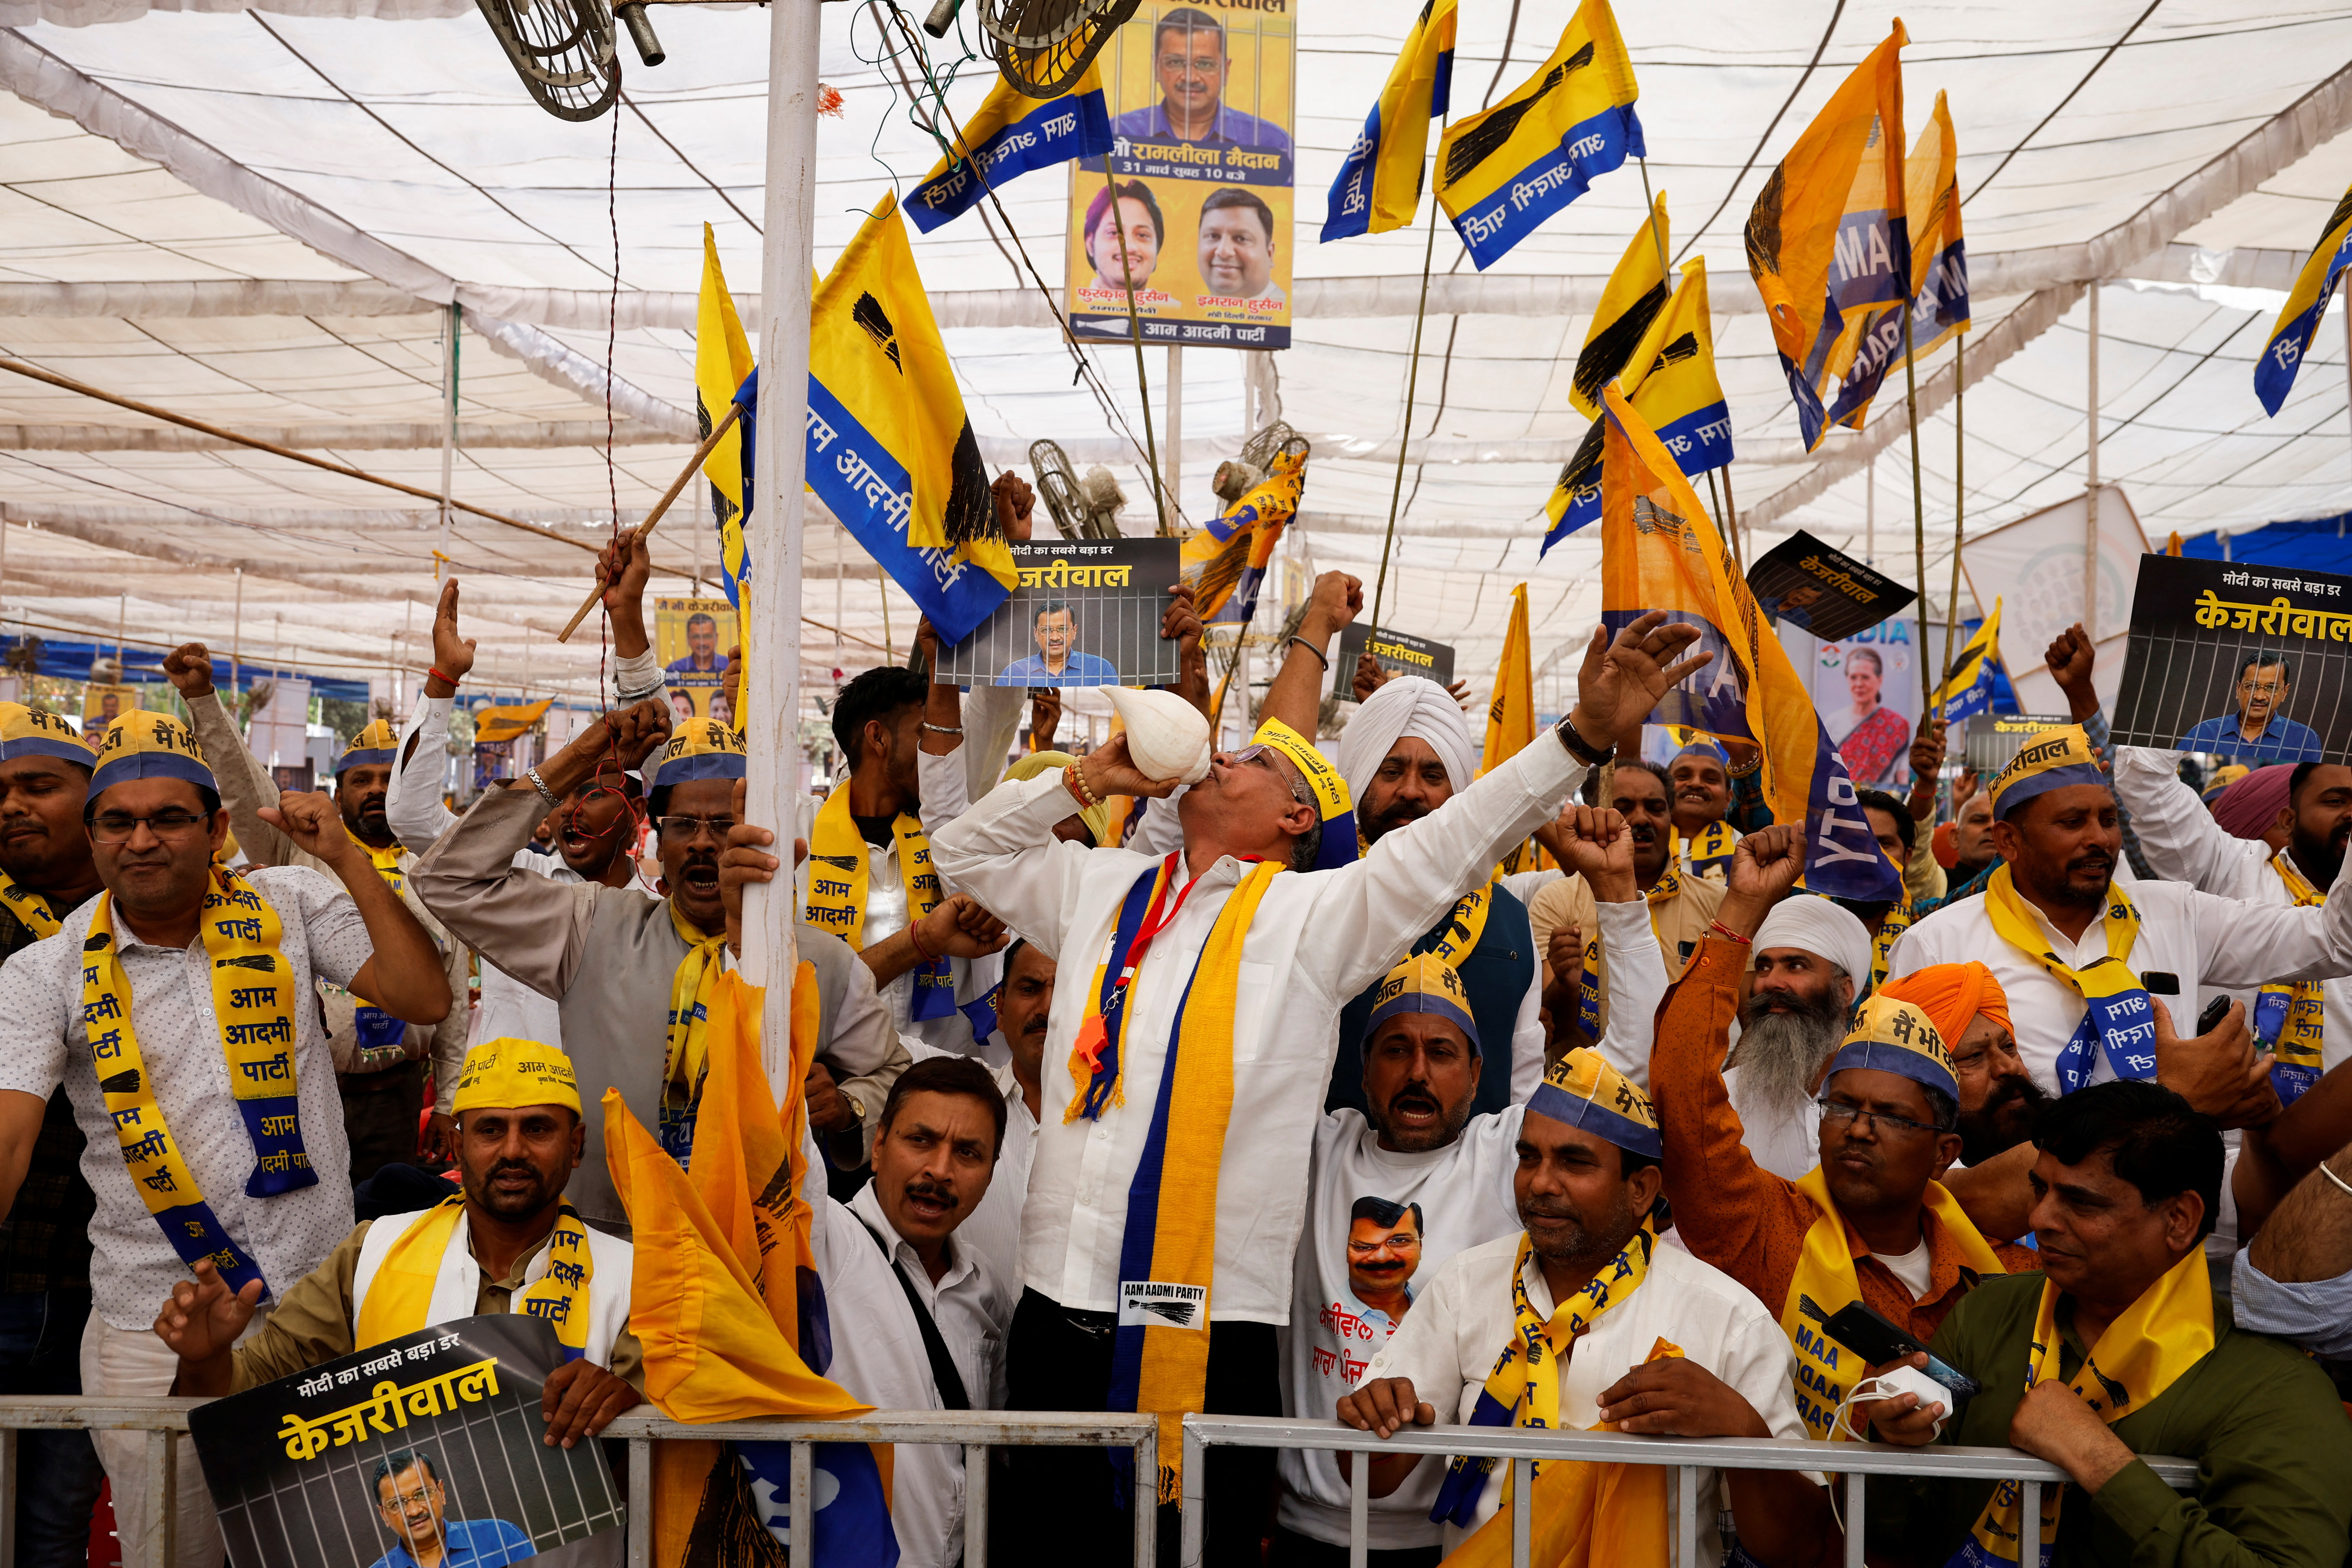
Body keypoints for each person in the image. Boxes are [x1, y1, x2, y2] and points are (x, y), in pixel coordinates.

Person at [929, 611, 1709, 1565]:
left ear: (1298, 816)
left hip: (1213, 1325)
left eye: (1254, 760)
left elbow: (1455, 840)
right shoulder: (1098, 888)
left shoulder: (1313, 918)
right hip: (1058, 1307)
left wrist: (1580, 736)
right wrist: (1091, 777)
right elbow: (960, 851)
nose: (1221, 757)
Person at [0, 712, 452, 1568]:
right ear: (93, 839)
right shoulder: (43, 972)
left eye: (168, 818)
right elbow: (9, 1139)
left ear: (215, 831)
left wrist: (347, 857)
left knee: (328, 1548)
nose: (141, 840)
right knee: (176, 1554)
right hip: (154, 1322)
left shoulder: (292, 902)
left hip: (314, 1309)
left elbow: (423, 997)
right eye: (118, 822)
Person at [1277, 877, 1669, 1568]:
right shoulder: (1316, 1149)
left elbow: (1632, 1057)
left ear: (1477, 1069)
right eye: (1395, 1049)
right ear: (1363, 1069)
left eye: (1442, 1051)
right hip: (1302, 1527)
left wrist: (1617, 894)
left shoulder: (1505, 1152)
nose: (1418, 1070)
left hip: (1446, 1534)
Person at [410, 707, 912, 1233]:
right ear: (657, 838)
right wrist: (581, 757)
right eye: (683, 826)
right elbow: (445, 879)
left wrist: (847, 1108)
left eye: (724, 825)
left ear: (760, 835)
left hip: (754, 1249)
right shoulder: (593, 925)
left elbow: (893, 1076)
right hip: (604, 1242)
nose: (702, 843)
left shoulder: (820, 961)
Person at [1335, 1050, 1830, 1566]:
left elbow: (1796, 1547)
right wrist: (1375, 1420)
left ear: (1641, 1189)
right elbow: (1371, 1476)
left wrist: (1742, 1429)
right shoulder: (1465, 1283)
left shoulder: (1730, 1319)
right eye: (1529, 1157)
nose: (1541, 1183)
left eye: (1574, 1162)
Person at [1858, 1081, 2352, 1568]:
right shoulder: (1988, 1313)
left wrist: (2100, 1464)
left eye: (2081, 1202)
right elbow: (1892, 1535)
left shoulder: (2271, 1384)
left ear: (2179, 1219)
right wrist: (1892, 1445)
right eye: (2039, 1188)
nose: (2040, 1218)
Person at [1650, 824, 2038, 1441]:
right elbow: (1679, 1085)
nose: (1858, 1129)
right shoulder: (1765, 1228)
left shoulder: (2005, 1278)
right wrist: (1740, 912)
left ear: (1944, 1153)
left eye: (1892, 1117)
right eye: (1841, 1107)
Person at [152, 1038, 637, 1423]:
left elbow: (659, 1448)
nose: (513, 1150)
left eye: (537, 1129)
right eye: (490, 1129)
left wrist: (630, 1403)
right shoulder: (372, 1251)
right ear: (457, 1146)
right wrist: (204, 1360)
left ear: (576, 1146)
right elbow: (247, 1392)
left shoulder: (634, 1277)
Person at [1890, 720, 2352, 1118]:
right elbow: (1907, 1100)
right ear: (2009, 841)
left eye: (2108, 819)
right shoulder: (1938, 944)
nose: (2100, 839)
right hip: (2007, 1193)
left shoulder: (2176, 913)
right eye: (2072, 822)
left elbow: (2335, 941)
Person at [171, 648, 472, 1180]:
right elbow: (242, 784)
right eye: (363, 780)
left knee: (383, 1214)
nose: (377, 789)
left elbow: (452, 1000)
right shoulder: (298, 849)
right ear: (338, 792)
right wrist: (203, 699)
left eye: (390, 779)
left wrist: (448, 1101)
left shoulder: (437, 871)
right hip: (306, 1085)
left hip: (398, 1093)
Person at [1288, 570, 1561, 1118]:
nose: (1411, 791)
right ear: (1359, 780)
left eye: (1433, 776)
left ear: (1460, 793)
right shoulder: (1309, 899)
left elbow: (1523, 1086)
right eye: (1391, 771)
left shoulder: (1512, 924)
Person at [384, 573, 657, 1057]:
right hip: (508, 1101)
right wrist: (443, 681)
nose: (571, 809)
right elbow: (412, 817)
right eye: (563, 794)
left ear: (635, 810)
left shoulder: (657, 918)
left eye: (592, 792)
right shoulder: (509, 879)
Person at [0, 705, 107, 1568]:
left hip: (103, 1283)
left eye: (38, 786)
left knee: (54, 1528)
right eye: (0, 792)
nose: (11, 805)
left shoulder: (157, 917)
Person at [843, 1055, 1017, 1567]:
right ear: (878, 1147)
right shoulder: (824, 1247)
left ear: (990, 1174)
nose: (940, 1170)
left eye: (968, 1152)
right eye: (920, 1140)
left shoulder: (986, 1289)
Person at [2113, 747, 2352, 1100]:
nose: (2350, 813)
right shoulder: (2234, 872)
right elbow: (2147, 777)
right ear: (2288, 820)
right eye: (2335, 801)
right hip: (2230, 1129)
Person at [810, 665, 1005, 1057]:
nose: (939, 750)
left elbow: (997, 712)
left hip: (946, 1076)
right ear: (878, 738)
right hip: (838, 1076)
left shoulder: (955, 835)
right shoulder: (801, 837)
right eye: (926, 733)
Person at [1530, 759, 1725, 1054]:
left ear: (1671, 816)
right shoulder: (1556, 900)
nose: (1642, 819)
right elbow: (1550, 1031)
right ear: (1591, 816)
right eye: (1623, 808)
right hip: (1585, 1080)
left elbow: (1738, 1016)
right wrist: (1567, 985)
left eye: (1656, 808)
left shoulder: (1717, 902)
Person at [1717, 888, 1876, 1181]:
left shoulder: (1885, 1092)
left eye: (1796, 966)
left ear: (1844, 991)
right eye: (1764, 967)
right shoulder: (1725, 1097)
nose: (1771, 982)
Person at [952, 936, 1054, 1287]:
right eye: (1030, 989)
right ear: (1000, 1008)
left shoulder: (1135, 1125)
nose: (1048, 1007)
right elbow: (841, 1018)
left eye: (1067, 991)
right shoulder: (950, 1091)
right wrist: (924, 941)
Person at [1111, 7, 1293, 154]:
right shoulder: (1117, 134)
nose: (1190, 78)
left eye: (1205, 64)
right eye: (1176, 62)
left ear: (1226, 70)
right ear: (1157, 67)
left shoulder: (1271, 143)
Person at [363, 1451, 533, 1568]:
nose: (414, 1511)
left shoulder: (500, 1538)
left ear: (442, 1492)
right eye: (398, 1504)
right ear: (384, 1515)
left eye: (422, 1494)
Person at [2177, 651, 2324, 764]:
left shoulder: (2304, 740)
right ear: (2238, 689)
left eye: (2271, 688)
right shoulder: (2204, 734)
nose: (2259, 696)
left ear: (2285, 692)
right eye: (2251, 686)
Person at [1826, 646, 1910, 788]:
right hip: (1841, 799)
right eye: (1853, 678)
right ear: (1847, 679)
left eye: (1865, 677)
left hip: (1883, 799)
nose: (1859, 684)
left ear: (1880, 680)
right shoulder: (1833, 723)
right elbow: (1824, 771)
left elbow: (1902, 778)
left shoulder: (1898, 725)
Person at [1667, 738, 1740, 883]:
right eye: (1683, 776)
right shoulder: (1640, 838)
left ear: (1729, 798)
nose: (1696, 783)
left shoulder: (1746, 841)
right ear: (1662, 790)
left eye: (1711, 779)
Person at [996, 601, 1118, 687]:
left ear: (1075, 631)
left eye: (1063, 629)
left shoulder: (1101, 669)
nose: (1055, 637)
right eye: (1046, 630)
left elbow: (1117, 711)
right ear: (1036, 633)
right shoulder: (1014, 673)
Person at [1197, 188, 1284, 305]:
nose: (1223, 252)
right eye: (1213, 236)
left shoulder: (1288, 310)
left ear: (1270, 254)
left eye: (1242, 239)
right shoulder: (1184, 308)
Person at [1083, 181, 1165, 296]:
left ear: (1157, 246)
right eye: (1114, 233)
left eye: (1142, 235)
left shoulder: (1176, 306)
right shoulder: (1076, 305)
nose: (1129, 247)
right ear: (1090, 245)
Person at [665, 610, 727, 680]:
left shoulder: (729, 666)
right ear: (688, 639)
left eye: (707, 637)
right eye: (696, 637)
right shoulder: (675, 669)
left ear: (716, 638)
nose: (702, 643)